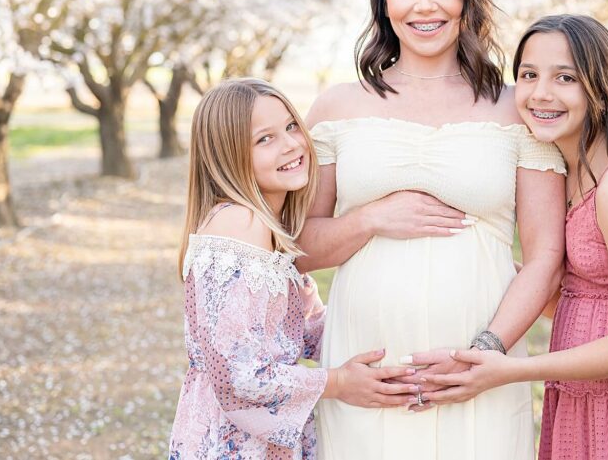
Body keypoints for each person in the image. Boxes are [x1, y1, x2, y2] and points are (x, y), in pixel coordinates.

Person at [296, 0, 567, 460]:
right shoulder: (337, 107)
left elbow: (545, 257)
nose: (425, 5)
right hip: (369, 370)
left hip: (478, 371)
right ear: (384, 3)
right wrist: (371, 218)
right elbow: (298, 247)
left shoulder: (516, 107)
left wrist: (485, 355)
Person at [420, 15, 608, 459]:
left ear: (600, 87)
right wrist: (478, 255)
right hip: (587, 398)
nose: (541, 93)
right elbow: (580, 300)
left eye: (564, 77)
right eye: (529, 75)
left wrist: (509, 370)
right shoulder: (565, 170)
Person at [168, 78, 420, 460]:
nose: (290, 144)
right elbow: (236, 374)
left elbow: (301, 332)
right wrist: (338, 382)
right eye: (264, 139)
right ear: (227, 155)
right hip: (231, 442)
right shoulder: (238, 224)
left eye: (290, 127)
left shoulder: (267, 229)